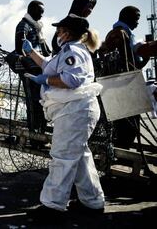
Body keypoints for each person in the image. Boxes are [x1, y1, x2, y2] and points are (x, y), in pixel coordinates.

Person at [24, 15, 105, 221]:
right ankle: (93, 201)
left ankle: (52, 206)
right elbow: (48, 65)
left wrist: (45, 80)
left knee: (62, 157)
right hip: (75, 110)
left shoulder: (73, 51)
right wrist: (31, 52)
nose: (57, 33)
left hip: (75, 111)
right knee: (80, 158)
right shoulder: (69, 51)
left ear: (67, 32)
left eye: (59, 30)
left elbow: (71, 79)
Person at [100, 6, 149, 149]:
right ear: (127, 17)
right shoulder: (120, 34)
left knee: (125, 128)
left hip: (119, 86)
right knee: (127, 127)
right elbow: (125, 65)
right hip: (123, 87)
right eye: (137, 18)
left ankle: (122, 154)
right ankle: (122, 156)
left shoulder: (119, 33)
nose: (138, 22)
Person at [15, 0, 50, 134]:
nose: (42, 15)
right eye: (40, 12)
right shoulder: (23, 25)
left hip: (40, 68)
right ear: (31, 10)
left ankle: (41, 130)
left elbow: (46, 50)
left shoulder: (36, 28)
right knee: (33, 100)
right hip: (30, 69)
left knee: (41, 100)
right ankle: (33, 133)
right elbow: (19, 47)